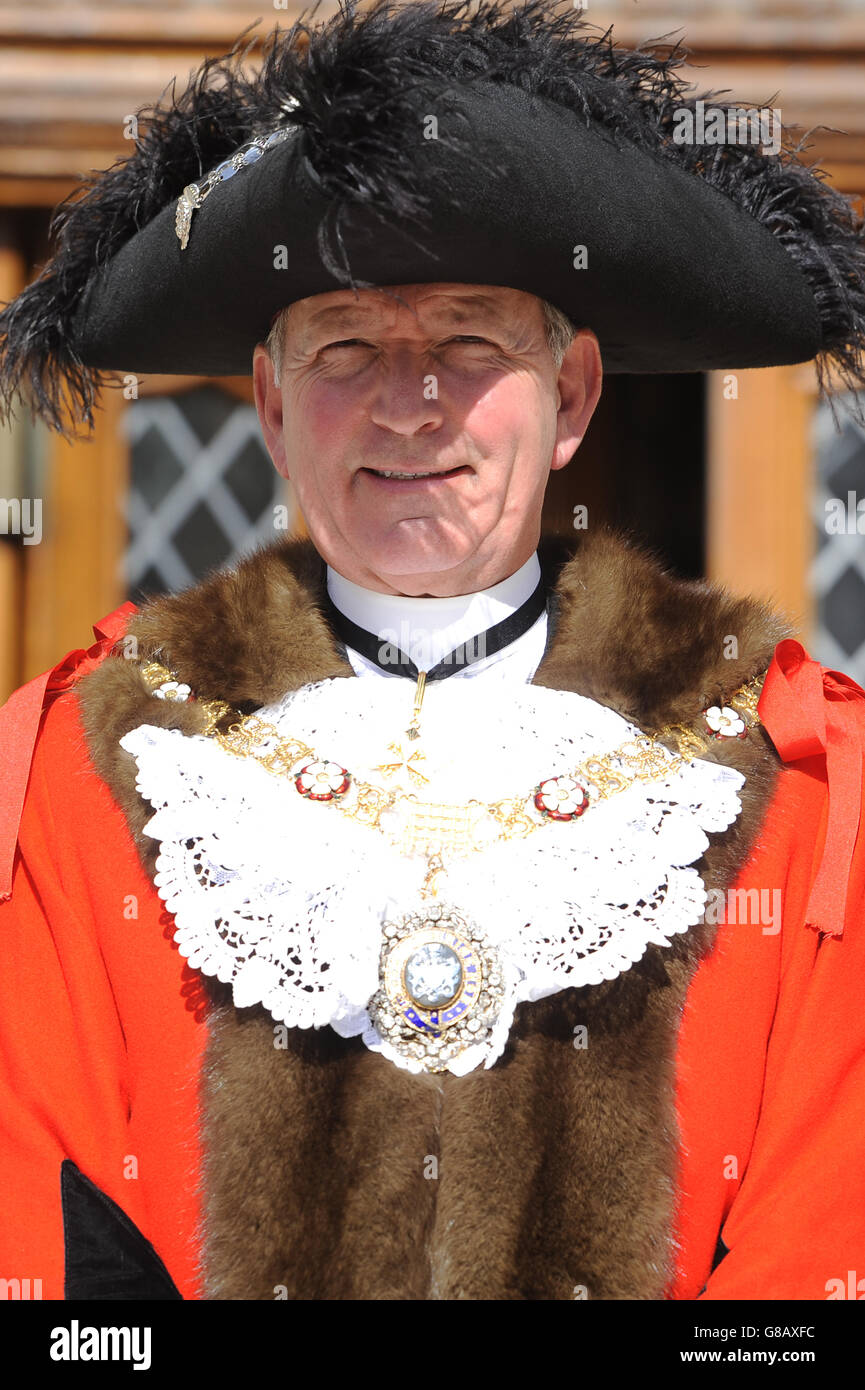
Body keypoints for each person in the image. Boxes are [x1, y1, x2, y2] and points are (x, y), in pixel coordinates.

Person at [1, 0, 864, 1302]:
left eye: (470, 338)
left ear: (568, 396)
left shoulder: (797, 789)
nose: (411, 402)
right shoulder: (66, 782)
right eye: (347, 344)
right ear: (275, 406)